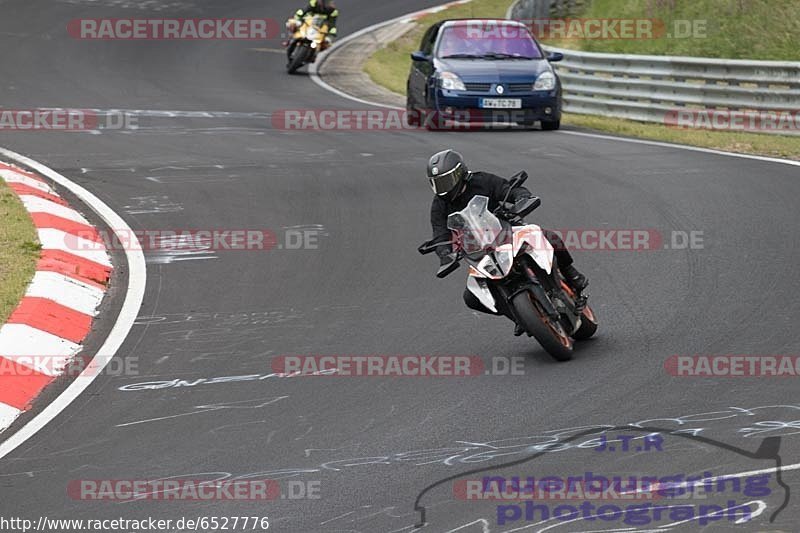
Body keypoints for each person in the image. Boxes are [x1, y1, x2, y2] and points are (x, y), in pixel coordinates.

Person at [427, 149, 588, 335]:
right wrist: (445, 254)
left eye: (445, 181)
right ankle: (519, 315)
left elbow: (507, 189)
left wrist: (522, 198)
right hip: (478, 250)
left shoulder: (482, 180)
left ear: (459, 173)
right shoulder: (439, 205)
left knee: (548, 236)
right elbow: (440, 234)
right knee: (471, 297)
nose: (442, 188)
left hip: (507, 231)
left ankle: (571, 273)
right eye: (436, 183)